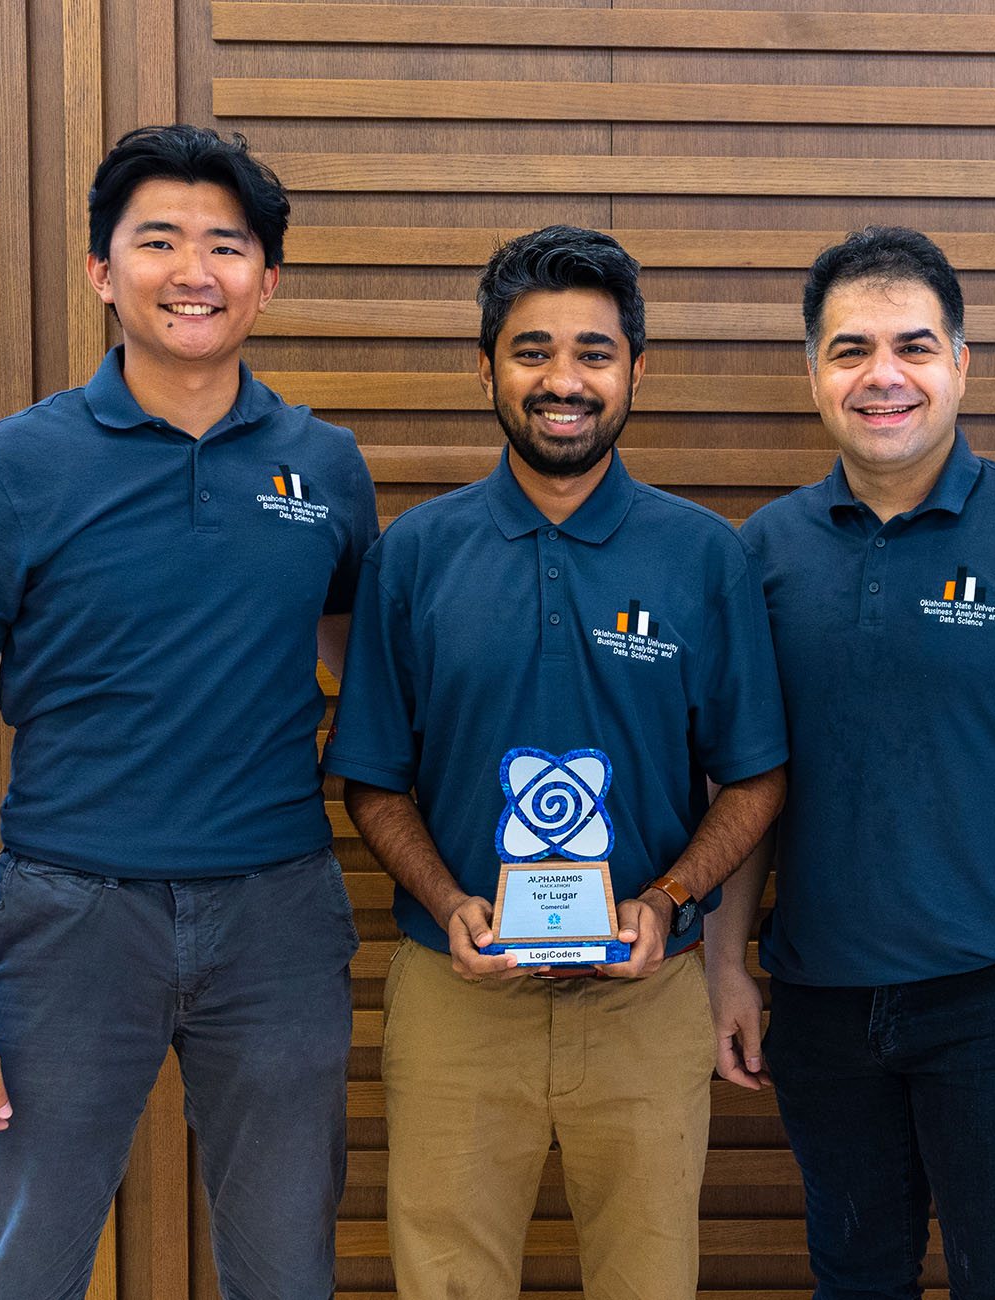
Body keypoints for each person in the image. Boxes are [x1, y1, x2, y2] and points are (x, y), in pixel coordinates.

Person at [0, 123, 376, 1298]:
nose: (193, 270)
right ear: (104, 271)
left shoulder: (327, 468)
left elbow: (351, 669)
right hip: (66, 921)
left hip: (277, 918)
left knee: (287, 1269)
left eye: (226, 244)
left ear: (268, 279)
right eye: (157, 240)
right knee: (22, 1270)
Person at [322, 224, 789, 1300]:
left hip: (646, 996)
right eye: (532, 351)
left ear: (634, 371)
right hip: (455, 992)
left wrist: (671, 899)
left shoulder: (703, 556)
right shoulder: (414, 557)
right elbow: (375, 781)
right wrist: (447, 901)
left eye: (593, 351)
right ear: (486, 367)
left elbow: (756, 774)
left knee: (649, 1281)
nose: (562, 380)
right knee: (446, 1283)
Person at [712, 226, 995, 1300]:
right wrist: (725, 961)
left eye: (914, 347)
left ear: (961, 363)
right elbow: (743, 785)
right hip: (819, 997)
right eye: (850, 349)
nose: (883, 376)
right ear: (814, 374)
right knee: (853, 1275)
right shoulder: (758, 555)